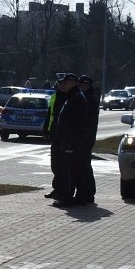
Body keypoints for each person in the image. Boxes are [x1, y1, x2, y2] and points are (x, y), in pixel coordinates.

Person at [51, 73, 88, 207]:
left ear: (72, 83)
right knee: (73, 169)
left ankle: (68, 197)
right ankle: (79, 196)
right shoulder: (72, 96)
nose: (63, 85)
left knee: (70, 170)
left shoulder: (76, 97)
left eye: (65, 83)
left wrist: (70, 137)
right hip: (69, 138)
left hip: (72, 140)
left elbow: (76, 121)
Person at [76, 75, 100, 204]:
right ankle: (83, 192)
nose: (83, 87)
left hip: (86, 136)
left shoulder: (90, 99)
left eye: (85, 85)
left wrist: (85, 134)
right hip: (82, 135)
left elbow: (87, 119)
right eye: (81, 84)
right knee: (81, 166)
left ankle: (88, 193)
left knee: (84, 165)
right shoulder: (81, 96)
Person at [42, 78, 67, 199]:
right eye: (59, 84)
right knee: (55, 164)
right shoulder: (54, 97)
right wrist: (46, 128)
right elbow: (50, 114)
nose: (61, 86)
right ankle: (57, 189)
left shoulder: (70, 97)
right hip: (54, 133)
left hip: (65, 135)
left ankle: (63, 190)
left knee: (63, 164)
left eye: (63, 84)